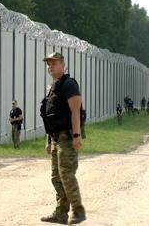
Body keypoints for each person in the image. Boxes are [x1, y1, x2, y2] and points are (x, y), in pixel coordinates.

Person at [40, 52, 86, 224]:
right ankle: (61, 213)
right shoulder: (53, 87)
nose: (50, 66)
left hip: (68, 137)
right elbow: (50, 116)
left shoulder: (69, 84)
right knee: (56, 177)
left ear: (63, 65)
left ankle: (78, 211)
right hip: (56, 138)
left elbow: (76, 112)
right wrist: (49, 141)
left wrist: (76, 136)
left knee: (66, 175)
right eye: (48, 64)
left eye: (54, 63)